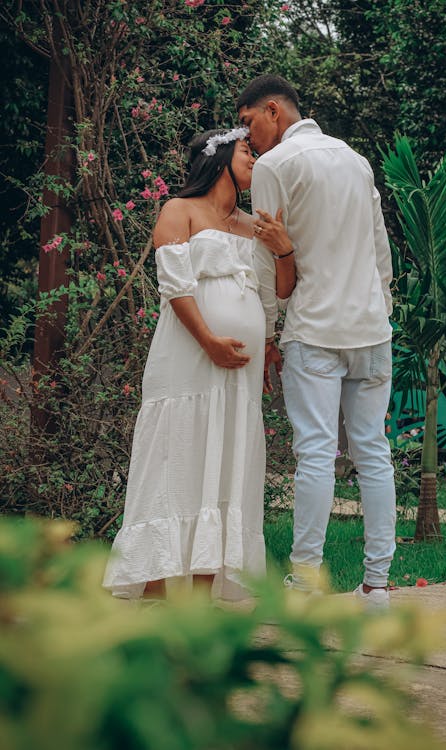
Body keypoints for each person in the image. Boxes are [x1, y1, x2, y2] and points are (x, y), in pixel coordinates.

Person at [103, 127, 295, 601]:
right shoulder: (179, 210)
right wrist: (209, 341)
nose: (255, 159)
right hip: (188, 359)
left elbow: (280, 291)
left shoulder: (255, 225)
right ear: (220, 157)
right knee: (177, 456)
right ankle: (156, 589)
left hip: (241, 374)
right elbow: (174, 285)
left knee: (226, 460)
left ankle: (205, 594)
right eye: (248, 151)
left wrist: (283, 247)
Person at [237, 74, 396, 607]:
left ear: (275, 112)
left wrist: (265, 334)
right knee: (374, 454)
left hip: (315, 332)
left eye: (249, 122)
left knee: (315, 455)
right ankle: (376, 586)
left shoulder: (275, 167)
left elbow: (266, 263)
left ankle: (304, 580)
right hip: (372, 330)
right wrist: (381, 311)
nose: (249, 137)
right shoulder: (355, 160)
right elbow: (381, 252)